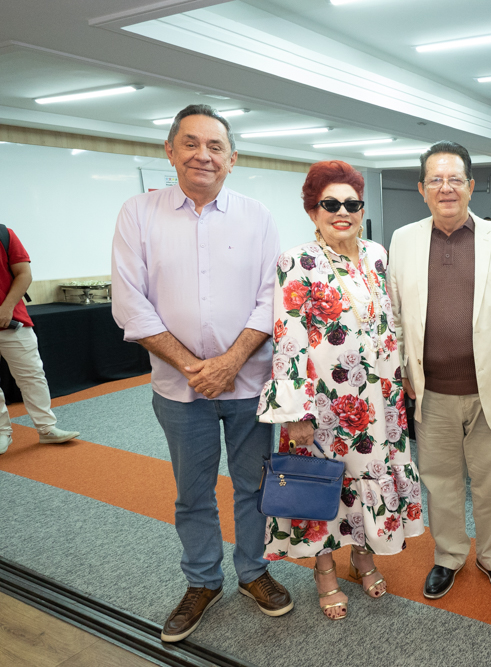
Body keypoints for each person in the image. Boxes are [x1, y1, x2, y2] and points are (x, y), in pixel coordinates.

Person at [111, 104, 291, 643]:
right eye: (190, 143)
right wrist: (195, 368)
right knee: (192, 492)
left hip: (251, 384)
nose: (202, 155)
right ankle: (202, 580)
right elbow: (130, 304)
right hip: (177, 387)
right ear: (170, 151)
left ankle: (253, 572)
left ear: (232, 159)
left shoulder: (257, 216)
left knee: (254, 488)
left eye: (215, 147)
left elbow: (272, 299)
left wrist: (231, 363)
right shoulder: (137, 213)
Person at [256, 160, 423, 620]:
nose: (342, 212)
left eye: (351, 203)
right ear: (313, 211)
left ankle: (363, 556)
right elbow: (287, 337)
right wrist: (295, 411)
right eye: (330, 204)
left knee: (369, 476)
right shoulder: (296, 261)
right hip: (326, 403)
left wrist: (403, 375)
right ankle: (326, 569)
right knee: (326, 485)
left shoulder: (376, 254)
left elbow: (392, 321)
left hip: (380, 399)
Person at [387, 141, 491, 600]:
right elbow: (393, 315)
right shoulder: (404, 239)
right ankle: (449, 555)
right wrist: (400, 372)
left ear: (471, 186)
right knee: (440, 482)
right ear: (421, 189)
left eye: (455, 179)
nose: (446, 188)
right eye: (435, 179)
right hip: (430, 391)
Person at [0, 226, 79, 455]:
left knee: (32, 374)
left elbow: (24, 273)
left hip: (11, 320)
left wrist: (6, 308)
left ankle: (47, 428)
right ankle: (2, 433)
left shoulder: (5, 234)